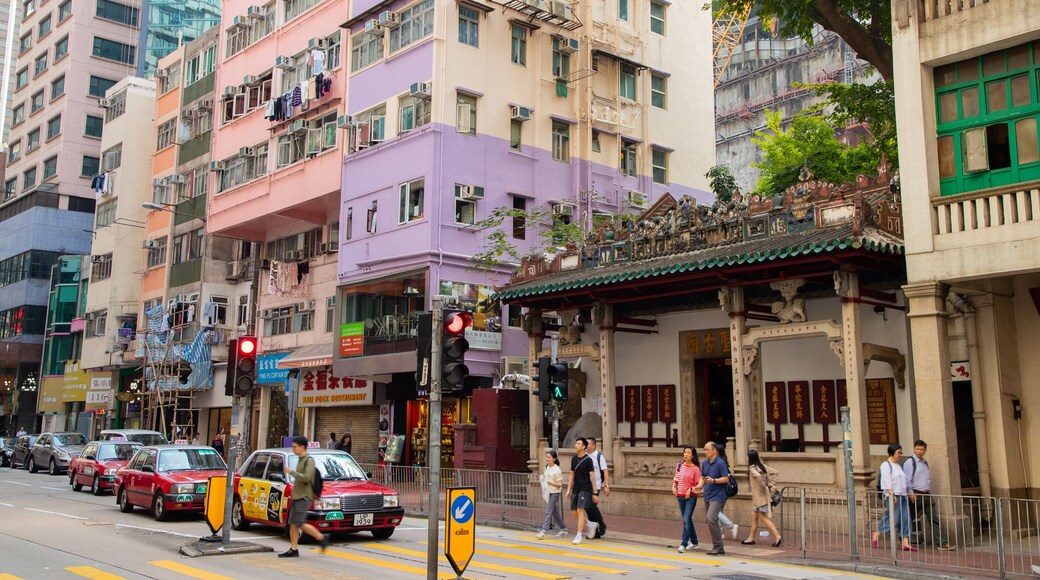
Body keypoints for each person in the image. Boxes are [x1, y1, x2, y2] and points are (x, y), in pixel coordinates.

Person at [279, 436, 331, 557]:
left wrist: (291, 472)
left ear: (302, 447)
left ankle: (322, 538)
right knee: (292, 523)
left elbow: (307, 477)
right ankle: (293, 549)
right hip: (297, 496)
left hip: (304, 497)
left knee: (299, 523)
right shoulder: (300, 459)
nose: (293, 449)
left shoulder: (309, 460)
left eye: (294, 447)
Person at [905, 440, 956, 551]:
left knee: (934, 518)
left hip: (926, 494)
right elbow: (907, 479)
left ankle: (941, 543)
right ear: (914, 449)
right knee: (910, 518)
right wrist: (910, 493)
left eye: (922, 449)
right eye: (918, 449)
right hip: (916, 494)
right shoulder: (910, 462)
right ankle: (902, 538)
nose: (920, 451)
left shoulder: (924, 462)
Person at [873, 443, 916, 552]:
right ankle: (878, 532)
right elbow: (886, 480)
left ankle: (905, 541)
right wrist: (891, 494)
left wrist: (909, 492)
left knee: (906, 518)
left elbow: (904, 480)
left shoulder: (898, 465)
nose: (900, 455)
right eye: (898, 453)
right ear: (892, 452)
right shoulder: (886, 465)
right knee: (893, 517)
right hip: (893, 495)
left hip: (903, 495)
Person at [741, 449, 782, 547]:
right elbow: (775, 472)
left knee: (763, 517)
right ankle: (750, 538)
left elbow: (758, 477)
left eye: (747, 456)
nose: (745, 458)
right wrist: (772, 484)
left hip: (760, 498)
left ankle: (777, 536)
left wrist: (764, 485)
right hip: (759, 498)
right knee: (754, 516)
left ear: (750, 458)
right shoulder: (761, 465)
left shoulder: (752, 468)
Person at [700, 441, 731, 555]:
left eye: (707, 449)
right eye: (704, 449)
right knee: (710, 520)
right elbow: (703, 478)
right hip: (708, 495)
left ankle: (717, 545)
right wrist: (698, 487)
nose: (706, 452)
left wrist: (713, 480)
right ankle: (719, 547)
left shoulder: (720, 463)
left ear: (714, 451)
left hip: (718, 496)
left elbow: (725, 479)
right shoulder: (705, 463)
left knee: (711, 518)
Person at [565, 437, 596, 544]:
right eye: (576, 443)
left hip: (585, 488)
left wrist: (595, 492)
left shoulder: (588, 460)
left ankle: (579, 535)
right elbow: (572, 474)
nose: (575, 445)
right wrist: (568, 489)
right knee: (574, 512)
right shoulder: (573, 459)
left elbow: (592, 476)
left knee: (580, 510)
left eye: (578, 444)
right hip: (576, 488)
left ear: (583, 447)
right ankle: (589, 524)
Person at [672, 445, 701, 552]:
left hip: (690, 497)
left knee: (686, 518)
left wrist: (691, 490)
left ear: (693, 455)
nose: (686, 455)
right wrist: (673, 486)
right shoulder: (679, 465)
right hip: (680, 496)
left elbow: (699, 484)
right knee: (687, 519)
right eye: (685, 452)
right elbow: (676, 478)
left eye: (688, 453)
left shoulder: (696, 469)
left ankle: (683, 543)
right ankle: (694, 542)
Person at [537, 451, 567, 539]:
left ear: (554, 459)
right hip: (548, 492)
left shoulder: (557, 470)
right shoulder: (547, 467)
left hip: (555, 492)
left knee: (548, 511)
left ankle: (544, 530)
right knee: (554, 512)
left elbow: (559, 484)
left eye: (549, 457)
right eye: (547, 457)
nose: (547, 459)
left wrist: (550, 483)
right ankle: (563, 529)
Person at [586, 437, 609, 539]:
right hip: (585, 485)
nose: (586, 445)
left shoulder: (598, 456)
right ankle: (594, 531)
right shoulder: (584, 456)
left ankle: (601, 524)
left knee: (592, 506)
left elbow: (605, 471)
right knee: (588, 507)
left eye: (588, 444)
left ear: (593, 445)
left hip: (597, 485)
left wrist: (606, 486)